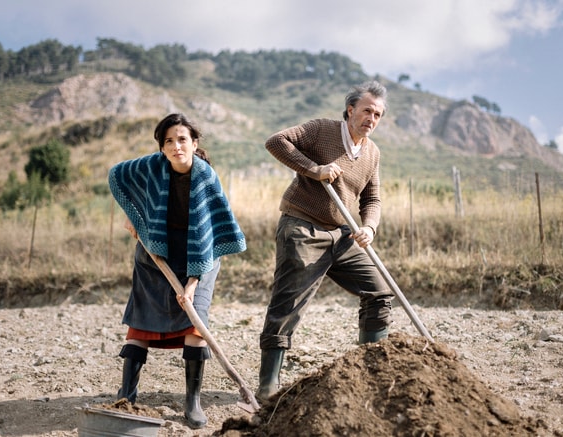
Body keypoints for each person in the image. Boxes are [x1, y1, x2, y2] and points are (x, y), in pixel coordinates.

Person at [108, 113, 246, 429]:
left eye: (182, 139)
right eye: (168, 141)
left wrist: (192, 283)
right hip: (156, 253)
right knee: (141, 322)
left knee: (194, 323)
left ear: (194, 144)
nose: (175, 146)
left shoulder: (206, 177)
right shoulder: (153, 166)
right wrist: (135, 214)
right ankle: (126, 395)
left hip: (200, 253)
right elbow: (117, 175)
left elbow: (207, 236)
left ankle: (192, 402)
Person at [257, 80, 393, 400]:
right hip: (302, 228)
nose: (371, 118)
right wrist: (313, 169)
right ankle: (267, 385)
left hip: (342, 234)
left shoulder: (372, 153)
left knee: (379, 291)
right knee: (288, 304)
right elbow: (276, 141)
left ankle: (370, 373)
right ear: (350, 110)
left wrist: (369, 228)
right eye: (366, 111)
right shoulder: (321, 130)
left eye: (378, 114)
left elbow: (372, 200)